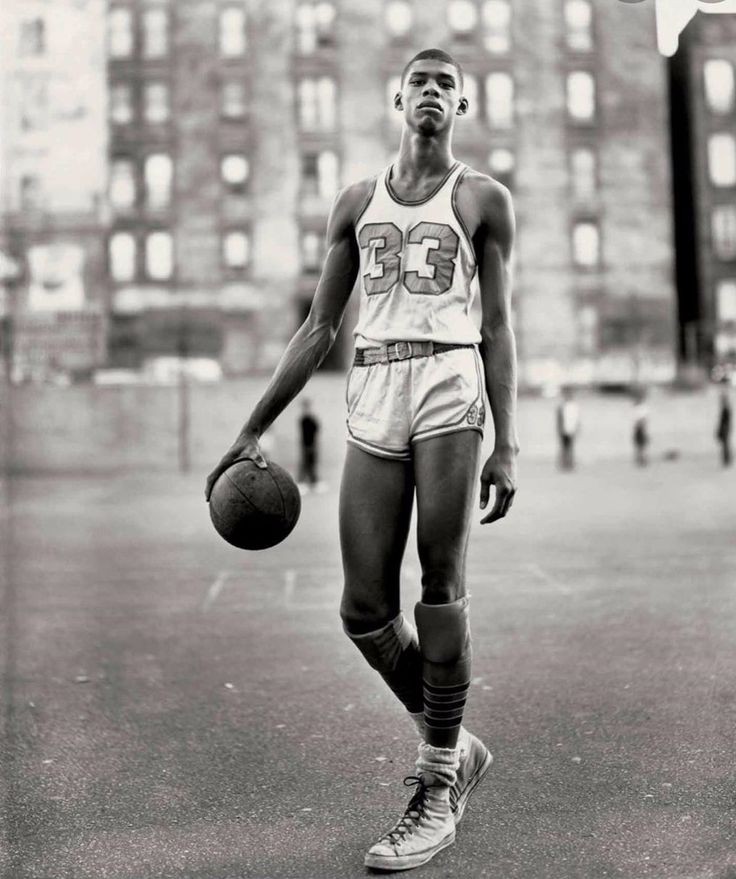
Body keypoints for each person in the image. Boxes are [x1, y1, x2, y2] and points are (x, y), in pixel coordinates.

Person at [205, 48, 518, 872]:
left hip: (450, 380)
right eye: (420, 81)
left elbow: (498, 329)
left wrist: (508, 441)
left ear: (462, 106)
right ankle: (457, 741)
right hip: (375, 385)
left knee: (440, 584)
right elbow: (317, 329)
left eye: (446, 85)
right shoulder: (355, 201)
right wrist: (251, 428)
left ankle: (436, 780)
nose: (432, 94)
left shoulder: (484, 198)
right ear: (396, 98)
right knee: (362, 609)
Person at [297, 398, 321, 492]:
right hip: (307, 445)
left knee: (310, 463)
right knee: (306, 463)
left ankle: (312, 482)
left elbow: (316, 429)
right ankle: (304, 482)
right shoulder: (304, 420)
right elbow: (306, 434)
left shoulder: (309, 419)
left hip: (310, 445)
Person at [556, 386, 580, 471]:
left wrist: (577, 428)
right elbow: (559, 418)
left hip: (571, 429)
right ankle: (565, 464)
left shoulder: (573, 406)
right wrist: (559, 429)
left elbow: (576, 419)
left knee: (570, 447)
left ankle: (569, 464)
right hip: (564, 429)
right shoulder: (563, 406)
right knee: (565, 447)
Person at [632, 387, 650, 467]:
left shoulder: (642, 408)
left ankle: (641, 458)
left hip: (640, 428)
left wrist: (640, 425)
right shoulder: (637, 407)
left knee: (641, 444)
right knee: (639, 444)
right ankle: (640, 458)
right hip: (638, 428)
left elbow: (643, 419)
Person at [716, 387, 732, 467]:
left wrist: (722, 429)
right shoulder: (725, 409)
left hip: (725, 429)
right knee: (725, 445)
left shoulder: (726, 409)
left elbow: (725, 421)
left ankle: (727, 460)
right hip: (725, 428)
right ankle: (726, 459)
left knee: (725, 445)